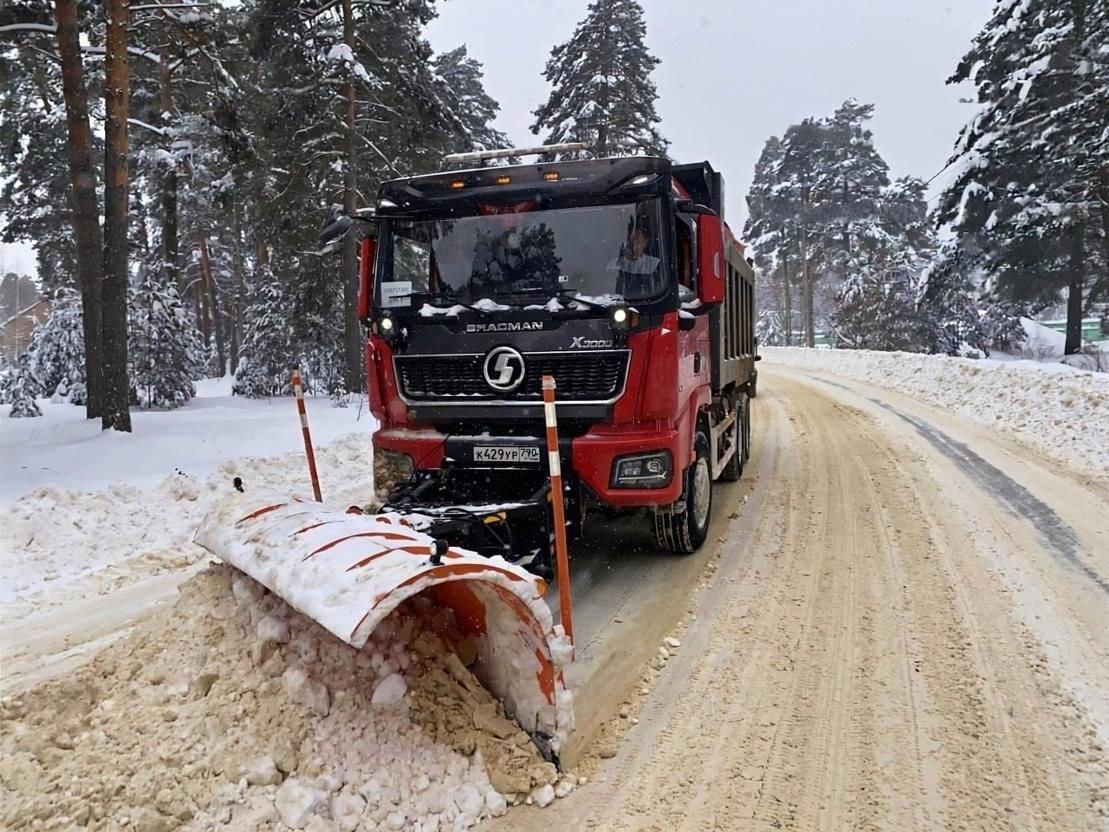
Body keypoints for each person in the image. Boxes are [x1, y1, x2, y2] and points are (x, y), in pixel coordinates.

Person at [608, 219, 663, 299]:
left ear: (645, 242)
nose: (633, 247)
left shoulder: (655, 264)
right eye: (630, 242)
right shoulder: (614, 264)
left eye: (637, 243)